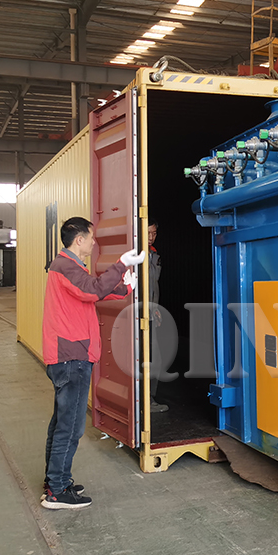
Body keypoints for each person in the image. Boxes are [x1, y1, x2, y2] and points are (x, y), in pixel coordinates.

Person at [41, 217, 145, 510]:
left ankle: (55, 481)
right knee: (70, 427)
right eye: (91, 238)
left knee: (61, 423)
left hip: (69, 355)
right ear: (79, 240)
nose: (94, 242)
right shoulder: (65, 266)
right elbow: (92, 290)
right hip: (71, 356)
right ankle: (57, 491)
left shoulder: (68, 267)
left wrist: (124, 288)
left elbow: (92, 290)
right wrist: (122, 264)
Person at [147, 218, 168, 413]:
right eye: (147, 233)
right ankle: (141, 401)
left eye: (153, 233)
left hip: (151, 314)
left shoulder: (154, 256)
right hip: (136, 317)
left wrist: (155, 309)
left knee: (155, 359)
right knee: (142, 359)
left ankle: (148, 400)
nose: (151, 237)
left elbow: (154, 287)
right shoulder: (134, 257)